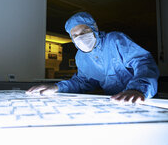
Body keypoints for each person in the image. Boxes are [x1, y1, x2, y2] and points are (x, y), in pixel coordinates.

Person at [27, 12, 159, 103]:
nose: (81, 38)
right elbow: (82, 82)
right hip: (114, 101)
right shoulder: (81, 57)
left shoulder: (114, 40)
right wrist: (57, 87)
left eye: (84, 32)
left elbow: (143, 62)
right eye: (76, 36)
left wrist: (137, 89)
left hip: (140, 97)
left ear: (94, 27)